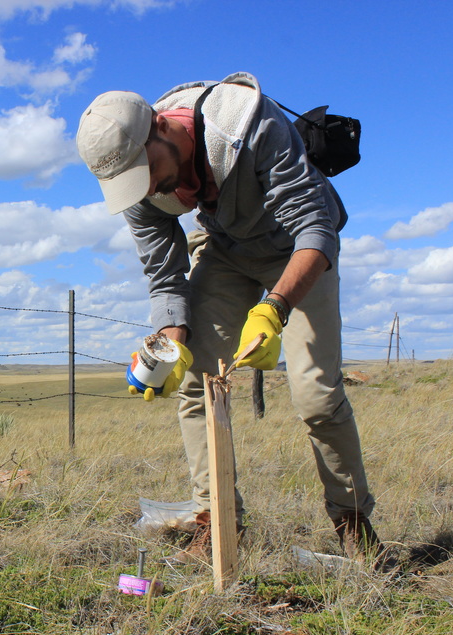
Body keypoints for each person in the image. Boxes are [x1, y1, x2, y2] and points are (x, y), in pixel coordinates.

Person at [76, 72, 380, 565]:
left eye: (147, 170)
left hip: (298, 248)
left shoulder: (245, 122)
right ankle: (216, 523)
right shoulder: (136, 182)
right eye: (134, 182)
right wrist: (170, 345)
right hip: (226, 248)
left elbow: (316, 228)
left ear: (159, 127)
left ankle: (353, 524)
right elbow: (166, 277)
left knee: (317, 396)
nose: (148, 186)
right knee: (198, 382)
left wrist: (273, 309)